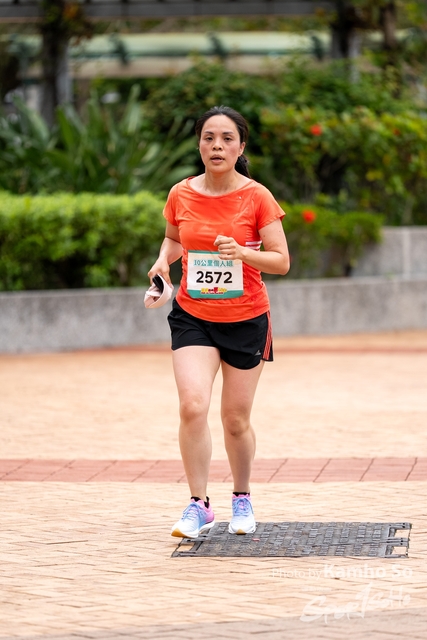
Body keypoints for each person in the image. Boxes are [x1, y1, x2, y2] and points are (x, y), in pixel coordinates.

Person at [148, 105, 290, 538]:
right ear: (199, 145)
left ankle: (242, 497)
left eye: (227, 138)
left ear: (240, 147)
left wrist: (243, 253)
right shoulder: (181, 193)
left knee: (234, 419)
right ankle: (198, 504)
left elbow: (282, 261)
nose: (217, 146)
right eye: (209, 137)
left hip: (246, 318)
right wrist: (163, 263)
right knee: (192, 406)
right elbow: (174, 239)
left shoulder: (257, 196)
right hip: (193, 315)